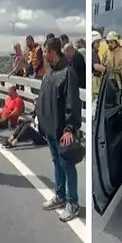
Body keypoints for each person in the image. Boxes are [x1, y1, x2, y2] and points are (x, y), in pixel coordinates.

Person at [38, 37, 82, 222]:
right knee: (57, 162)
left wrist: (69, 128)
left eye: (45, 51)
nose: (44, 54)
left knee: (67, 164)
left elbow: (72, 102)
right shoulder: (49, 74)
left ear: (53, 52)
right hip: (49, 128)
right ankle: (60, 196)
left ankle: (73, 203)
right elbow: (43, 99)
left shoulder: (68, 72)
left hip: (62, 130)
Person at [91, 31, 106, 100]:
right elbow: (96, 66)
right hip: (95, 80)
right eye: (97, 42)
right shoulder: (93, 53)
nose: (99, 45)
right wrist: (108, 70)